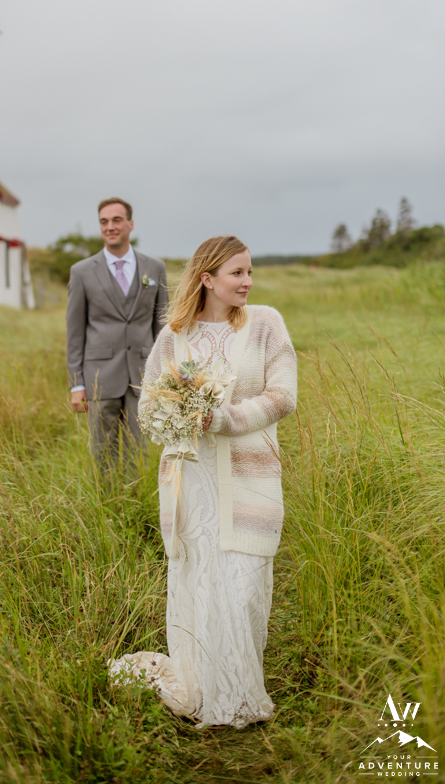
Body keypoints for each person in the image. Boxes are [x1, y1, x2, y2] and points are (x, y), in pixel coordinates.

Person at [109, 235, 297, 727]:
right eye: (237, 273)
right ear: (207, 278)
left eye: (250, 271)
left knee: (243, 586)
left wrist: (223, 419)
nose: (248, 281)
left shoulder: (267, 324)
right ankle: (206, 687)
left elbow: (283, 397)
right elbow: (149, 408)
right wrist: (177, 419)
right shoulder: (175, 336)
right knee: (201, 582)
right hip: (190, 485)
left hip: (250, 479)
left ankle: (237, 694)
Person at [66, 198, 169, 481]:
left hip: (144, 376)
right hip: (100, 376)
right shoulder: (82, 271)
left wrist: (164, 375)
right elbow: (75, 332)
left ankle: (141, 510)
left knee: (142, 450)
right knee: (103, 453)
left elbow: (162, 326)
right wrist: (77, 383)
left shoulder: (155, 268)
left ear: (130, 224)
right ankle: (110, 511)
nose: (110, 227)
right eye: (104, 222)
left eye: (116, 220)